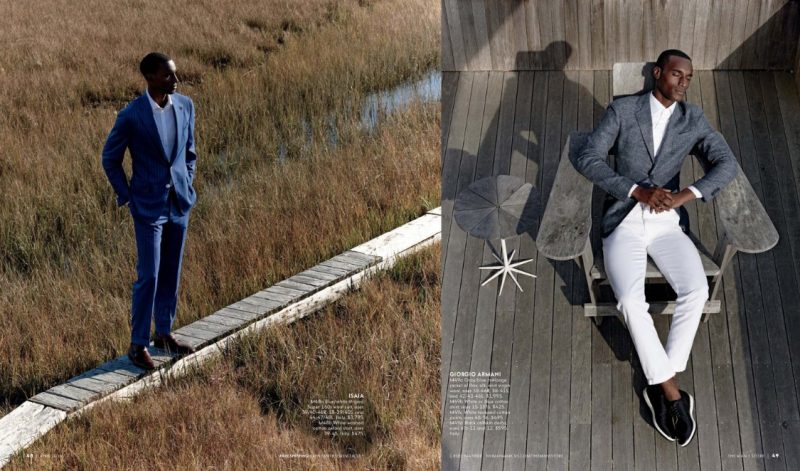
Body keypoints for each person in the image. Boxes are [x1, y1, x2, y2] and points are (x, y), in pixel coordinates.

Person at [570, 49, 738, 446]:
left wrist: (683, 197)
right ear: (658, 73)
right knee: (630, 299)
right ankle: (672, 394)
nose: (684, 82)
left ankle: (660, 383)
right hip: (624, 221)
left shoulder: (692, 119)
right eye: (678, 74)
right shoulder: (623, 111)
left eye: (689, 78)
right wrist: (636, 190)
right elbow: (588, 157)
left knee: (697, 289)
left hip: (666, 224)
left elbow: (726, 163)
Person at [102, 52, 198, 370]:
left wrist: (186, 179)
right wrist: (127, 195)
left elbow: (189, 152)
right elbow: (110, 158)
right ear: (150, 77)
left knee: (171, 271)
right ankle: (137, 344)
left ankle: (164, 334)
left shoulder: (185, 106)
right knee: (150, 275)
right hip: (148, 207)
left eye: (175, 74)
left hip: (179, 203)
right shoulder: (131, 115)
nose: (175, 80)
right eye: (168, 75)